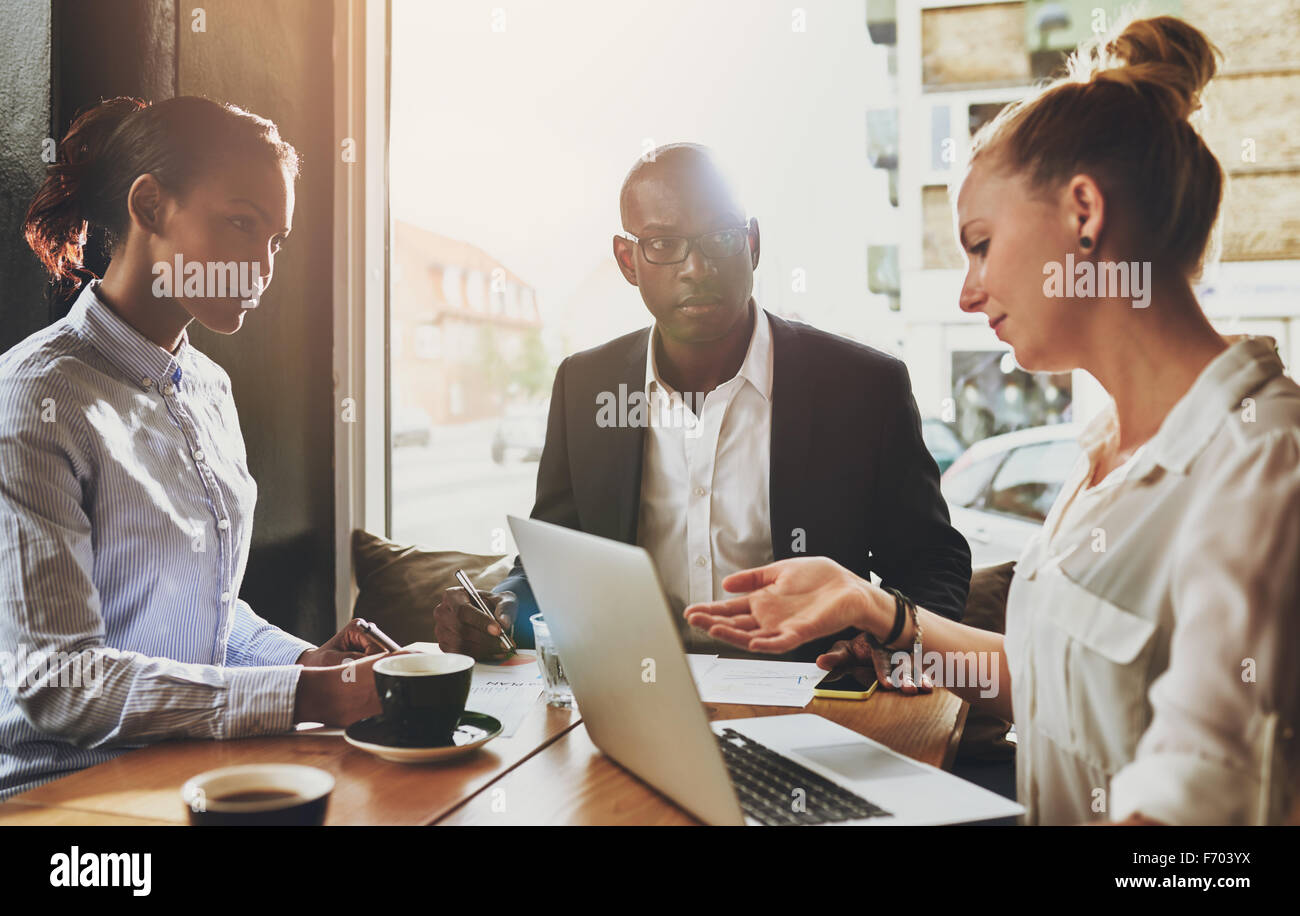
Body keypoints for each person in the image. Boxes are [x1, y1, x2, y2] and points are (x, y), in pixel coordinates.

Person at [684, 15, 1300, 825]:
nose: (968, 292)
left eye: (979, 244)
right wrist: (873, 609)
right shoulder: (1105, 461)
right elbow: (1052, 685)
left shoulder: (1262, 468)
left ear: (1084, 212)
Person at [435, 144, 971, 675]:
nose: (695, 267)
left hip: (815, 698)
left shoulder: (863, 387)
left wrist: (890, 645)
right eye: (663, 243)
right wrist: (500, 607)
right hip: (635, 697)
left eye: (720, 237)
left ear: (753, 245)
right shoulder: (584, 386)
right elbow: (552, 564)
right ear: (628, 261)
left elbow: (932, 563)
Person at [0, 97, 388, 800]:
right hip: (63, 797)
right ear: (149, 204)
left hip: (189, 773)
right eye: (242, 222)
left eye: (276, 238)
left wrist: (310, 667)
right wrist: (307, 701)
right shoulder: (36, 398)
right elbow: (58, 684)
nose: (263, 267)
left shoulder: (208, 387)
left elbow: (199, 616)